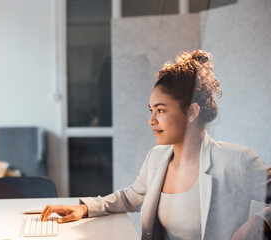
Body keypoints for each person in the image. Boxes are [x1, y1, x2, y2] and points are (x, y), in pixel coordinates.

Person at [40, 50, 271, 240]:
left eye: (160, 110)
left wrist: (259, 223)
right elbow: (130, 197)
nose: (151, 120)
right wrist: (84, 208)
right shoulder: (157, 158)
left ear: (191, 112)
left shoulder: (236, 161)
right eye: (151, 111)